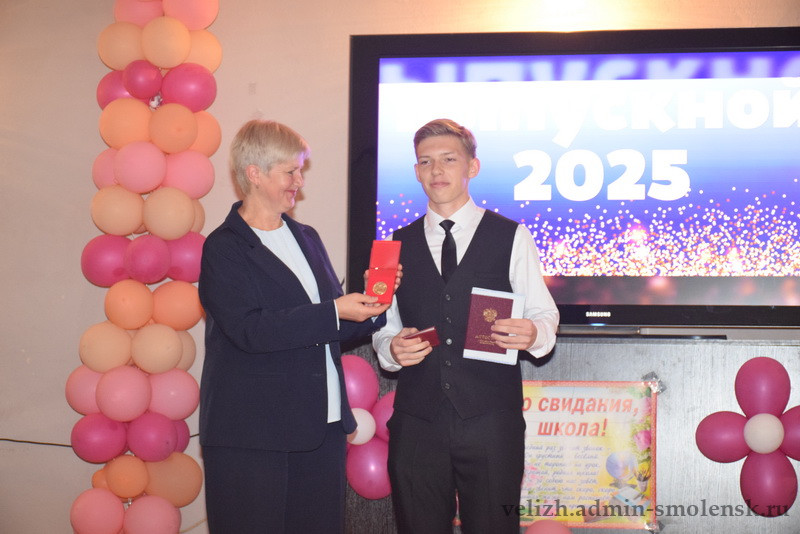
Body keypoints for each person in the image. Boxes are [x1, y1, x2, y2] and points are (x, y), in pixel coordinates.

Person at [199, 119, 396, 533]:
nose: (299, 181)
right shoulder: (224, 247)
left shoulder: (306, 236)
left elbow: (329, 327)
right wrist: (334, 311)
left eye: (300, 170)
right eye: (290, 171)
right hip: (254, 436)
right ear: (254, 173)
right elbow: (250, 331)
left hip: (321, 428)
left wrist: (373, 304)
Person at [372, 118, 559, 533]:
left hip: (491, 420)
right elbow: (384, 328)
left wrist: (534, 333)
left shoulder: (512, 236)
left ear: (472, 167)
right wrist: (391, 349)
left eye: (448, 159)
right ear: (416, 171)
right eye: (425, 162)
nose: (436, 170)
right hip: (417, 422)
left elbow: (544, 314)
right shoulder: (394, 244)